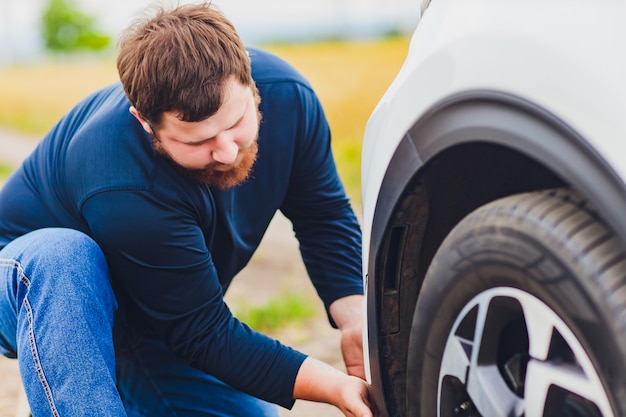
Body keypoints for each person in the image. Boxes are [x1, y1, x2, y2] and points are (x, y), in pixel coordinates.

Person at [0, 3, 372, 417]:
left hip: (153, 322)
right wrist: (334, 386)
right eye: (198, 142)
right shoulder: (122, 178)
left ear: (247, 77)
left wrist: (355, 314)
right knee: (64, 255)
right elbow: (205, 333)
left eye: (236, 122)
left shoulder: (290, 98)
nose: (229, 152)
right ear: (145, 122)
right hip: (28, 284)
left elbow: (323, 214)